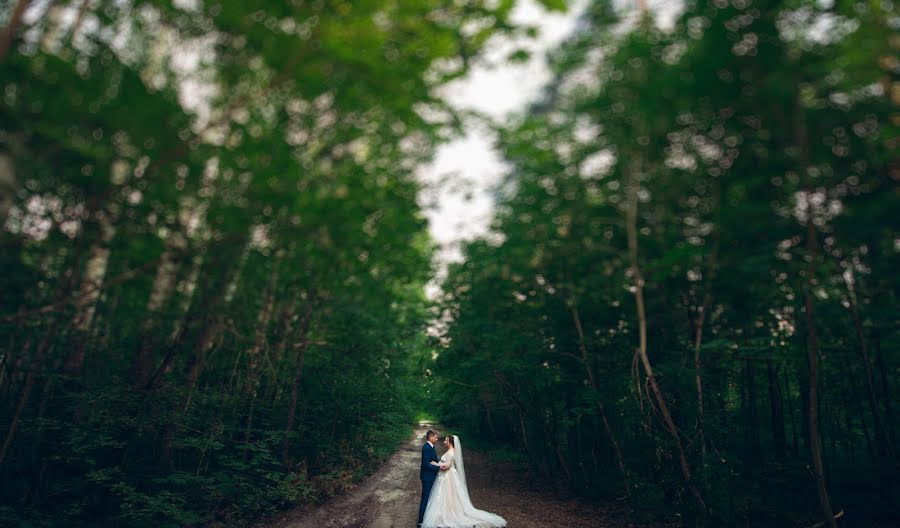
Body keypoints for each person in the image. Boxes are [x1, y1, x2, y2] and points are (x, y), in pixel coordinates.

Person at [421, 434, 506, 528]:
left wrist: (436, 465)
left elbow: (447, 466)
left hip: (448, 477)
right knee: (445, 496)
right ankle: (443, 513)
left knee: (449, 495)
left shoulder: (451, 452)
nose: (444, 442)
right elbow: (444, 464)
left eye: (446, 440)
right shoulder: (449, 451)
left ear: (450, 442)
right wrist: (437, 463)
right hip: (445, 477)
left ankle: (448, 514)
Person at [418, 429, 445, 527]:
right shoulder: (427, 448)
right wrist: (439, 467)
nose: (437, 439)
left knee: (428, 498)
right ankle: (420, 522)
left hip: (429, 476)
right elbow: (426, 464)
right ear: (431, 437)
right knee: (425, 499)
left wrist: (436, 463)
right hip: (427, 477)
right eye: (436, 437)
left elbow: (431, 461)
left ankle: (425, 519)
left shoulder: (430, 447)